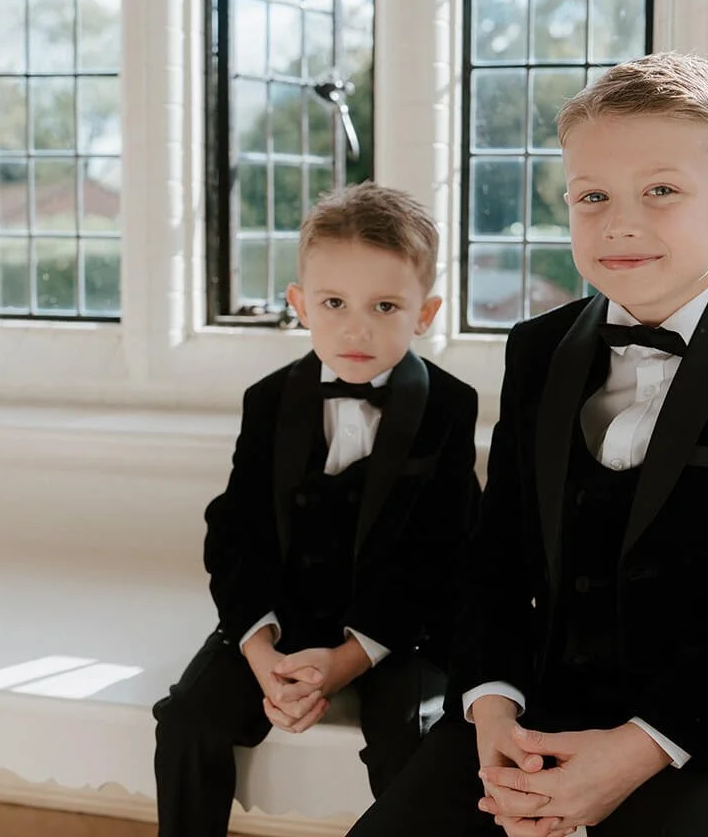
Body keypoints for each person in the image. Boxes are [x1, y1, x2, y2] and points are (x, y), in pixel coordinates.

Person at [347, 52, 708, 837]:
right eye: (592, 196)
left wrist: (639, 749)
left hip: (701, 726)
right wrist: (491, 710)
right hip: (530, 701)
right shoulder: (536, 349)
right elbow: (496, 556)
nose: (621, 221)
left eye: (662, 190)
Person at [153, 182, 481, 837]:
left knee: (414, 738)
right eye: (334, 303)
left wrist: (349, 660)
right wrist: (261, 653)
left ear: (425, 312)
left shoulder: (448, 407)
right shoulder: (269, 401)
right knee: (188, 720)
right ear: (301, 305)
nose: (356, 327)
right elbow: (236, 532)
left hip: (401, 627)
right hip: (283, 614)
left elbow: (440, 557)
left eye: (385, 305)